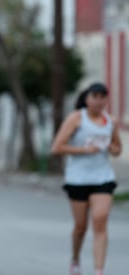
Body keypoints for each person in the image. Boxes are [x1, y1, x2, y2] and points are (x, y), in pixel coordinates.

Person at [51, 83, 122, 275]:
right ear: (87, 98)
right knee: (81, 227)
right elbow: (57, 147)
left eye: (103, 97)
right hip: (78, 179)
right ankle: (75, 258)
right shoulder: (76, 118)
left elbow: (117, 148)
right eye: (95, 97)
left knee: (100, 220)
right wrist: (84, 150)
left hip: (103, 178)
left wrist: (109, 147)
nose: (99, 101)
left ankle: (99, 270)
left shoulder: (110, 121)